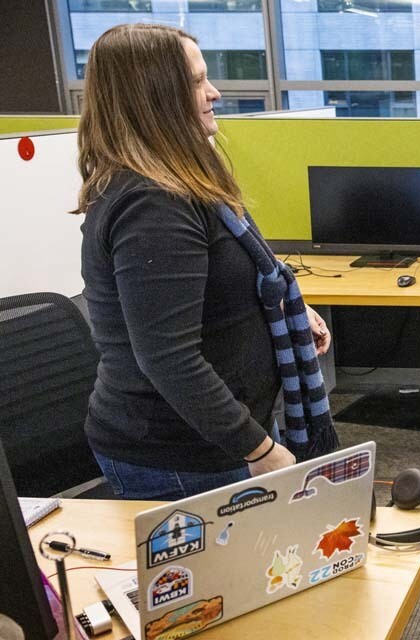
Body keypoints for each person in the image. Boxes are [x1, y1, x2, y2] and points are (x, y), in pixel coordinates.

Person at [77, 23, 337, 500]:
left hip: (221, 435)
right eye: (196, 81)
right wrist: (261, 452)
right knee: (233, 574)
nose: (213, 92)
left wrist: (286, 311)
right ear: (154, 95)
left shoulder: (184, 179)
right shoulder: (152, 204)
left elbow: (226, 281)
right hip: (181, 453)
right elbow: (168, 357)